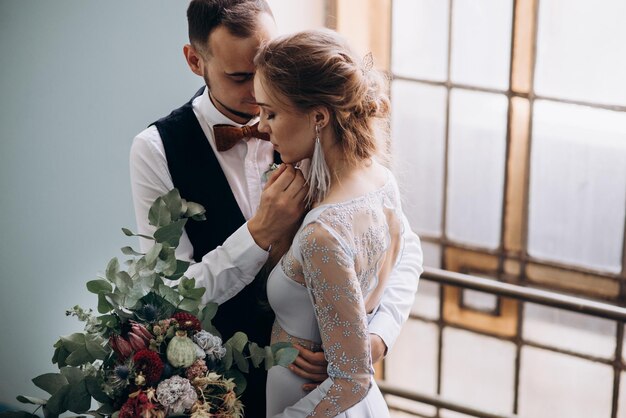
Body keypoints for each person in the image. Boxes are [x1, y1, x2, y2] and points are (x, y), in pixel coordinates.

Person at [129, 0, 423, 415]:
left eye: (267, 63)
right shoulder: (156, 151)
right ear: (196, 61)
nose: (260, 89)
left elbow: (404, 247)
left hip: (319, 385)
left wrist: (375, 337)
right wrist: (258, 234)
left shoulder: (309, 125)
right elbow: (168, 297)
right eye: (241, 76)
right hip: (219, 386)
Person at [254, 29, 413, 417]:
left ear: (319, 117)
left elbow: (351, 380)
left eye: (271, 112)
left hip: (309, 403)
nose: (261, 127)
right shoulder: (379, 180)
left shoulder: (322, 235)